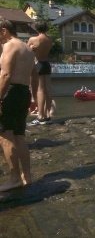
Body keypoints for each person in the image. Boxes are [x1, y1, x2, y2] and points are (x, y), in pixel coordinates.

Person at [0, 19, 39, 191]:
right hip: (23, 92)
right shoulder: (28, 50)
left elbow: (6, 74)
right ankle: (27, 176)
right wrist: (33, 98)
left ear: (4, 31)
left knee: (5, 136)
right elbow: (34, 75)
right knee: (19, 135)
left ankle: (15, 178)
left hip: (11, 92)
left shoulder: (9, 46)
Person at [27, 20, 53, 125]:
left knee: (40, 90)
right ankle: (47, 115)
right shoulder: (50, 39)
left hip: (38, 63)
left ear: (36, 28)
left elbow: (25, 50)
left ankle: (40, 116)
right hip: (46, 63)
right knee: (48, 90)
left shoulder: (33, 39)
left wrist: (31, 48)